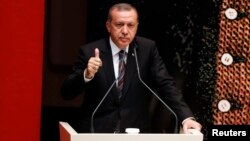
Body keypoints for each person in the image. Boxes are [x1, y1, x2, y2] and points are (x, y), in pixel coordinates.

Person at [61, 3, 202, 133]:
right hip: (97, 130)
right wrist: (87, 74)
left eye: (130, 25)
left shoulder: (147, 49)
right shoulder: (89, 51)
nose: (125, 31)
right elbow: (66, 93)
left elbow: (166, 85)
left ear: (137, 26)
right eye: (119, 24)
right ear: (108, 26)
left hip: (135, 131)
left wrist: (186, 117)